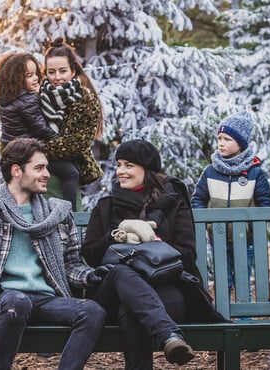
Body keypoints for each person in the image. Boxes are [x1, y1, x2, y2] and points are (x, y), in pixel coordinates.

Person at [0, 138, 107, 370]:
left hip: (46, 299)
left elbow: (70, 265)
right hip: (3, 300)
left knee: (92, 311)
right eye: (39, 168)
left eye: (46, 167)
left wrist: (90, 276)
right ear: (16, 171)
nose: (47, 173)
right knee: (16, 301)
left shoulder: (56, 214)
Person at [82, 139, 226, 369]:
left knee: (131, 311)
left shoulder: (173, 203)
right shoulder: (107, 206)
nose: (120, 171)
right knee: (121, 273)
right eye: (119, 165)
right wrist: (116, 237)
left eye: (128, 165)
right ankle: (168, 335)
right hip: (112, 292)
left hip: (165, 289)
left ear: (147, 169)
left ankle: (168, 336)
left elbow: (187, 255)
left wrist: (151, 243)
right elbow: (90, 254)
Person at [191, 110, 270, 298]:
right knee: (222, 280)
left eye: (227, 139)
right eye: (219, 138)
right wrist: (209, 223)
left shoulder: (254, 173)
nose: (221, 143)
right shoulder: (210, 172)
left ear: (241, 143)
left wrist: (249, 226)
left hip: (246, 238)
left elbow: (265, 204)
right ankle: (222, 317)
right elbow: (198, 200)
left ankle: (244, 318)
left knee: (242, 278)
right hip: (218, 238)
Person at [0, 52, 82, 211]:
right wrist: (60, 141)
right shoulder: (27, 100)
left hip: (14, 150)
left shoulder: (6, 100)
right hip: (28, 152)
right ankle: (72, 212)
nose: (35, 78)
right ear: (16, 79)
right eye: (29, 75)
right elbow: (40, 128)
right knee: (71, 172)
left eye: (36, 74)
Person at [41, 38, 105, 207]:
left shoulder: (86, 101)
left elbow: (77, 143)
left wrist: (38, 149)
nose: (57, 77)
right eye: (51, 72)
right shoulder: (39, 96)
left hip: (66, 173)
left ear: (73, 71)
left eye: (63, 71)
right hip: (39, 174)